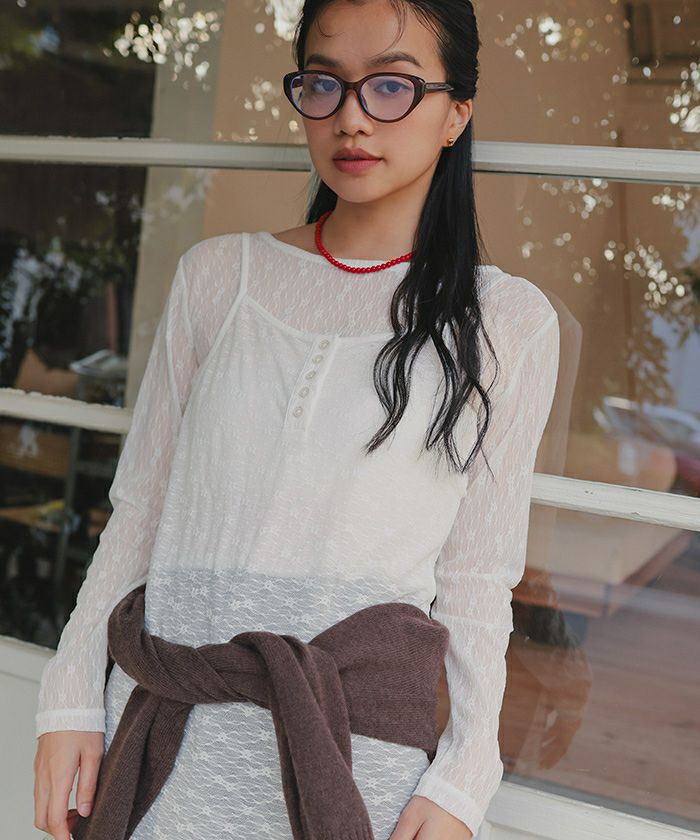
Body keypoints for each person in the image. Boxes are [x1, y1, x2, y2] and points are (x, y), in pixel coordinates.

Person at [32, 0, 560, 838]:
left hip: (351, 754)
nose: (351, 117)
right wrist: (68, 696)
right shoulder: (218, 277)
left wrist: (465, 774)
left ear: (457, 112)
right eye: (324, 83)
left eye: (391, 85)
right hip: (166, 715)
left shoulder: (507, 322)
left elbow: (477, 578)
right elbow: (141, 508)